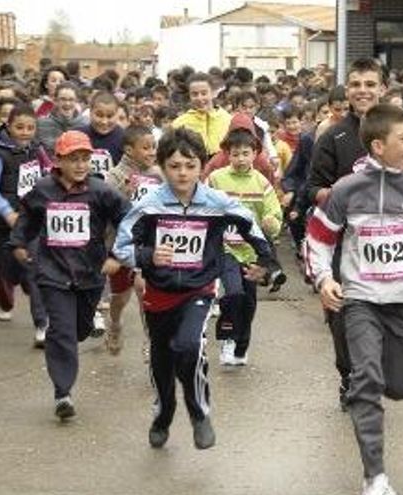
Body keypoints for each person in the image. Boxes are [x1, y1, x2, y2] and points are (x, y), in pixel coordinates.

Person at [304, 103, 403, 495]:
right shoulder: (345, 190)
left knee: (401, 386)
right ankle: (375, 476)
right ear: (377, 145)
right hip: (359, 301)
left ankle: (382, 387)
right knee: (366, 380)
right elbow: (318, 240)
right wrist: (323, 278)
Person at [113, 128, 284, 450]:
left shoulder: (216, 202)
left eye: (190, 166)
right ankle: (163, 413)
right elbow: (122, 245)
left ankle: (199, 413)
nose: (182, 173)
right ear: (163, 166)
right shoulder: (150, 205)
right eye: (175, 166)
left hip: (199, 289)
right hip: (159, 293)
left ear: (201, 167)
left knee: (190, 347)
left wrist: (268, 263)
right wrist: (147, 255)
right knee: (162, 359)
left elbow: (252, 227)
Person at [10, 130, 130, 420]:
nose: (80, 165)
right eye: (73, 159)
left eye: (85, 159)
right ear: (58, 160)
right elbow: (27, 218)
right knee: (62, 331)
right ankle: (63, 393)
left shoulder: (101, 192)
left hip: (90, 274)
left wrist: (118, 255)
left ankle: (74, 333)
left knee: (78, 329)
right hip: (52, 272)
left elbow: (129, 219)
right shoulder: (43, 190)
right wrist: (18, 243)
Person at [308, 57, 387, 410]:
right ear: (347, 90)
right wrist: (337, 191)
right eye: (356, 84)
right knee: (341, 315)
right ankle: (349, 376)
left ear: (382, 89)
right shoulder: (334, 136)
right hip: (344, 244)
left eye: (370, 84)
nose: (363, 91)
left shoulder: (402, 132)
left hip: (392, 245)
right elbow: (314, 187)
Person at [207, 121, 283, 366]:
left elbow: (274, 213)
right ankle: (227, 339)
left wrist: (272, 221)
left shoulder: (261, 182)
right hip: (225, 248)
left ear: (255, 154)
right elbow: (203, 205)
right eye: (235, 154)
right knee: (234, 293)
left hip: (251, 251)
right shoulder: (216, 179)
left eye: (245, 153)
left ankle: (241, 346)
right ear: (227, 154)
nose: (240, 158)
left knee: (249, 302)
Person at [0, 103, 52, 346]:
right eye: (19, 127)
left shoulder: (37, 149)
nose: (25, 132)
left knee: (33, 267)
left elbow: (47, 172)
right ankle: (10, 290)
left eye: (30, 127)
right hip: (0, 226)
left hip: (30, 221)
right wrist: (7, 213)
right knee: (8, 271)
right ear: (8, 126)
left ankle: (42, 324)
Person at [103, 125, 164, 355]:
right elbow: (108, 207)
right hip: (122, 242)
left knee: (144, 289)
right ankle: (115, 324)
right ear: (129, 150)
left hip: (148, 242)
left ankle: (151, 340)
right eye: (145, 148)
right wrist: (125, 192)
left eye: (154, 147)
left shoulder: (158, 174)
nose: (151, 152)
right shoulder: (115, 175)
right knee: (120, 297)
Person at [172, 73, 232, 156]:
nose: (200, 98)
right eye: (194, 94)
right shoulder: (179, 123)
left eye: (204, 93)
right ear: (189, 96)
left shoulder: (229, 120)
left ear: (213, 93)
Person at [77, 91, 124, 179]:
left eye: (109, 116)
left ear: (117, 115)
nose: (104, 121)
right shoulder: (77, 135)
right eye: (99, 115)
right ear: (90, 112)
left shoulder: (125, 139)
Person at [36, 82, 87, 154]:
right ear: (55, 101)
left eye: (71, 99)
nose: (67, 103)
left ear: (76, 101)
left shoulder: (86, 124)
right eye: (63, 99)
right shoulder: (41, 124)